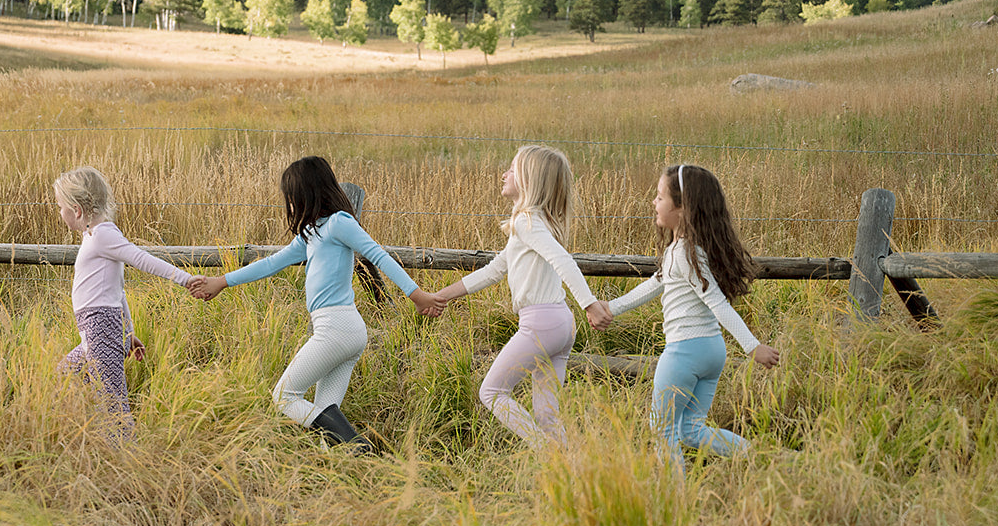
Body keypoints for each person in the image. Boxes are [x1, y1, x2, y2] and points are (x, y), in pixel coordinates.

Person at [190, 156, 442, 450]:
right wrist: (221, 281)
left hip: (335, 329)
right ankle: (347, 461)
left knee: (284, 396)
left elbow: (378, 255)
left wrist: (417, 296)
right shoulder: (312, 234)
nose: (289, 205)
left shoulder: (339, 223)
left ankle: (357, 446)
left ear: (307, 194)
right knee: (326, 421)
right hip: (345, 331)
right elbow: (271, 263)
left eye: (291, 197)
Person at [432, 145, 611, 448]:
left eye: (512, 169)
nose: (504, 174)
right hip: (560, 323)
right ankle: (570, 466)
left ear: (529, 179)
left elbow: (563, 260)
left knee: (492, 392)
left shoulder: (526, 221)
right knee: (547, 415)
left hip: (541, 324)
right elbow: (493, 271)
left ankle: (546, 452)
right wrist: (440, 297)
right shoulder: (533, 224)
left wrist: (590, 304)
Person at [604, 163, 779, 468]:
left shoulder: (685, 253)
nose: (654, 202)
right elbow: (655, 284)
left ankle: (674, 494)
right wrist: (610, 307)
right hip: (710, 350)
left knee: (662, 430)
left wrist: (753, 347)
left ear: (683, 208)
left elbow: (717, 303)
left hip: (685, 352)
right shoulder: (685, 250)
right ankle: (761, 459)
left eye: (661, 197)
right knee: (690, 429)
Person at [54, 166, 199, 437]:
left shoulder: (103, 236)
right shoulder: (94, 236)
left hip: (101, 329)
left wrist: (186, 279)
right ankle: (84, 438)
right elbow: (117, 291)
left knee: (113, 408)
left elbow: (142, 259)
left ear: (76, 210)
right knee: (62, 378)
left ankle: (125, 454)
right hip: (96, 330)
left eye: (60, 207)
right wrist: (128, 332)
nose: (59, 213)